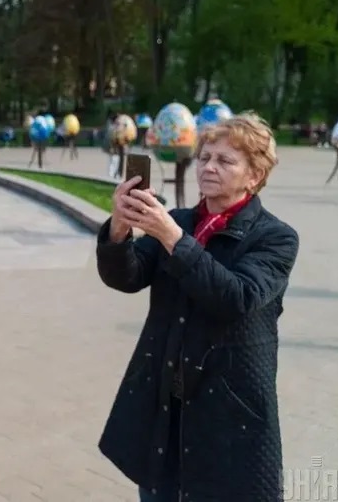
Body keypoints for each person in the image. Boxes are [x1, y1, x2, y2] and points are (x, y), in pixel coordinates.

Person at [95, 115, 300, 501]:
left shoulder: (275, 237)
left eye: (225, 160)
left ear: (254, 176)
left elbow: (236, 298)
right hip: (165, 403)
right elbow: (127, 277)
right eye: (204, 157)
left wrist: (172, 237)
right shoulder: (180, 220)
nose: (208, 167)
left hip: (227, 413)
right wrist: (119, 229)